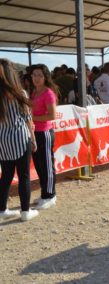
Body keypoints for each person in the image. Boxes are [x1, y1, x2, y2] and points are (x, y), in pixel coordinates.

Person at [0, 59, 39, 221]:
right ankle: (25, 211)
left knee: (6, 176)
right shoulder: (20, 94)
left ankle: (2, 209)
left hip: (2, 140)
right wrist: (34, 140)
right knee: (23, 176)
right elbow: (28, 120)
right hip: (20, 138)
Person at [30, 64, 58, 210]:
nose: (36, 78)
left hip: (45, 133)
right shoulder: (34, 92)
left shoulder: (48, 93)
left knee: (47, 165)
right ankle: (44, 193)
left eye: (40, 75)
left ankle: (50, 195)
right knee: (40, 166)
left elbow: (52, 115)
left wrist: (32, 117)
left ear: (45, 76)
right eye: (34, 75)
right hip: (35, 133)